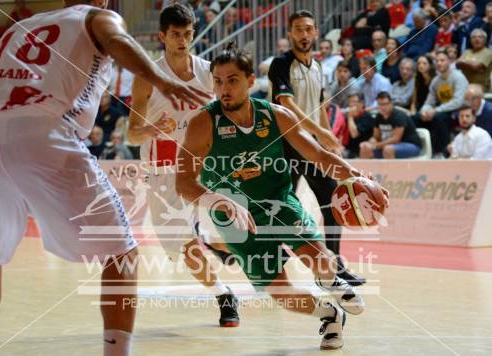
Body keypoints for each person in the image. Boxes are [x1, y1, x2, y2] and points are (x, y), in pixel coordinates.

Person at [0, 1, 209, 355]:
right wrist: (161, 79)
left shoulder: (18, 27)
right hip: (41, 129)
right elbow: (118, 41)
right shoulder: (98, 17)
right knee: (122, 250)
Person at [176, 44, 388, 351]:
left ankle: (331, 282)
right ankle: (329, 314)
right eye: (218, 81)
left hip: (277, 201)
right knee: (281, 293)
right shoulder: (202, 124)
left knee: (319, 260)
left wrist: (355, 175)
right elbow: (182, 183)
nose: (224, 89)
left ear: (250, 81)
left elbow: (317, 154)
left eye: (232, 80)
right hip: (235, 218)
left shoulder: (275, 115)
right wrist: (217, 201)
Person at [128, 3, 239, 327]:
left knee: (235, 215)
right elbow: (132, 135)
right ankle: (223, 292)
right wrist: (150, 129)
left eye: (188, 34)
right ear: (162, 36)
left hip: (203, 164)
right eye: (176, 35)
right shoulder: (147, 76)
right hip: (162, 169)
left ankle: (213, 240)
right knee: (183, 248)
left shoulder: (208, 72)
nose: (183, 40)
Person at [268, 10, 366, 286]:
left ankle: (333, 264)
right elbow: (286, 105)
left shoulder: (318, 66)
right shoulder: (280, 64)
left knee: (332, 201)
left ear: (315, 33)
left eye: (307, 29)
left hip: (311, 146)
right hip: (285, 145)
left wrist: (326, 139)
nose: (303, 34)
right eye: (297, 29)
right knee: (280, 205)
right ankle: (270, 262)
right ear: (290, 34)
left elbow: (321, 106)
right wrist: (319, 131)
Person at [415, 49, 469, 156]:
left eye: (442, 60)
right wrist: (424, 111)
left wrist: (435, 110)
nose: (439, 63)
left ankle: (444, 152)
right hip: (443, 110)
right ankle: (421, 150)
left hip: (459, 112)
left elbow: (458, 102)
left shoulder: (458, 77)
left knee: (439, 118)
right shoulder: (435, 81)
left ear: (449, 61)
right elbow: (429, 102)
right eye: (437, 61)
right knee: (416, 117)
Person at [360, 92, 422, 159]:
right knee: (365, 148)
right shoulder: (378, 117)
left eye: (385, 104)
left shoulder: (399, 116)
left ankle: (389, 169)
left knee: (388, 149)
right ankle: (366, 169)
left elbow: (396, 139)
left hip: (410, 145)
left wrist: (376, 145)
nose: (382, 107)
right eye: (380, 104)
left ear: (391, 104)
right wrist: (370, 142)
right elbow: (376, 137)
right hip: (389, 146)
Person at [344, 92, 375, 158]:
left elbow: (354, 134)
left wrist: (350, 116)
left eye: (354, 102)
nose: (351, 104)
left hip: (361, 152)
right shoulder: (347, 117)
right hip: (348, 150)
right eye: (350, 102)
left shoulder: (367, 117)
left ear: (362, 103)